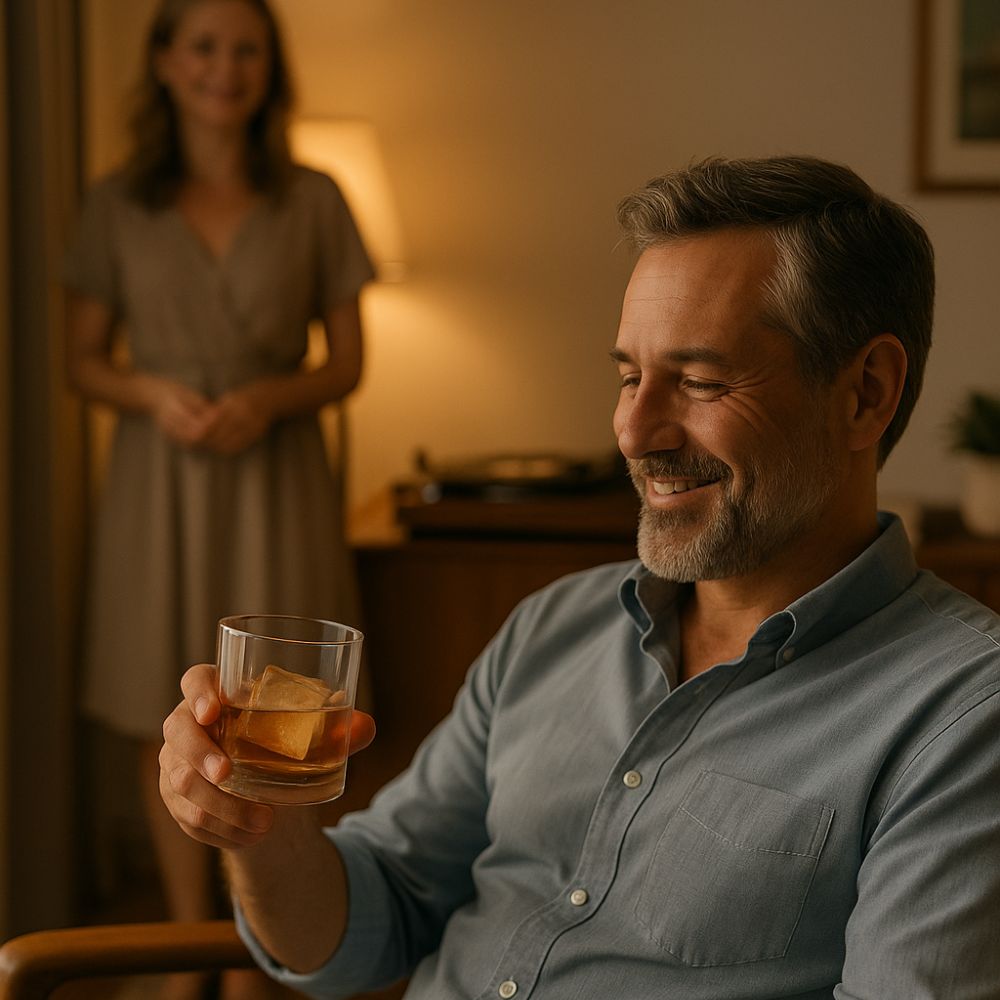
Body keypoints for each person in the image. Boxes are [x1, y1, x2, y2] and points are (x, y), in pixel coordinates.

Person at [159, 155, 1000, 999]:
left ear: (866, 393)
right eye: (630, 376)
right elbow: (359, 929)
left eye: (700, 381)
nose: (632, 432)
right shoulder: (552, 627)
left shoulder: (964, 720)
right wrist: (260, 829)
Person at [64, 0, 373, 995]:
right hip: (159, 484)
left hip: (276, 475)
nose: (224, 68)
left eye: (245, 49)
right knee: (170, 698)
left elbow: (346, 364)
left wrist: (269, 398)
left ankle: (258, 946)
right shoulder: (115, 203)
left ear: (267, 69)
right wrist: (152, 392)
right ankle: (183, 939)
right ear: (163, 61)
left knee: (284, 710)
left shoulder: (317, 196)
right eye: (203, 45)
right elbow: (81, 362)